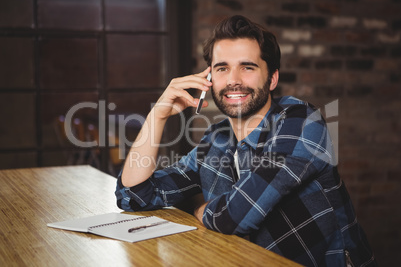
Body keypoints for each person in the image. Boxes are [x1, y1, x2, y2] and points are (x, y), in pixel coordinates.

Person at [115, 15, 376, 266]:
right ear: (209, 80)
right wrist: (158, 115)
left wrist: (200, 211)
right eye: (222, 68)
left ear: (272, 78)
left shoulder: (302, 122)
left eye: (247, 67)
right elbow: (134, 196)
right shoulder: (216, 140)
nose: (233, 81)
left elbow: (236, 217)